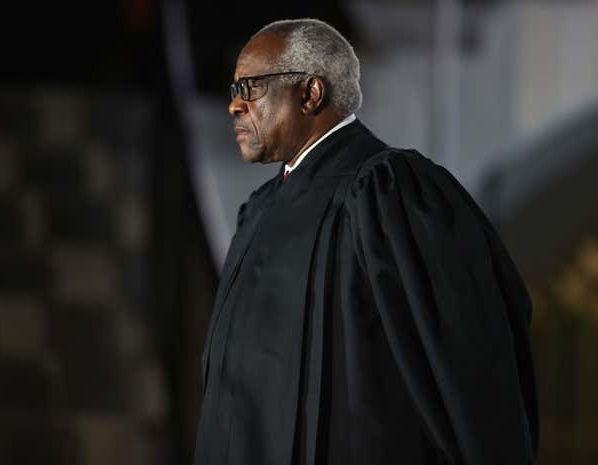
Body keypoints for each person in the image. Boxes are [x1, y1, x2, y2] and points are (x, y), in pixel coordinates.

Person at [195, 18, 539, 465]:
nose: (234, 106)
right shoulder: (259, 211)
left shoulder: (390, 194)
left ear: (310, 93)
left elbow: (468, 382)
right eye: (233, 89)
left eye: (251, 87)